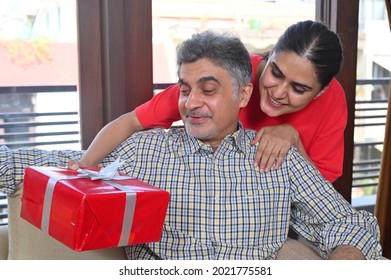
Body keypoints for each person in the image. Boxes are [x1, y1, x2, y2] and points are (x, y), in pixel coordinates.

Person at [0, 30, 382, 260]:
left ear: (242, 94)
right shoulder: (147, 149)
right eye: (185, 89)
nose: (191, 102)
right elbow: (64, 162)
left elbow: (347, 222)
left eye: (208, 90)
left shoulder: (280, 157)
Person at [69, 20, 347, 183]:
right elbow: (131, 121)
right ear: (271, 54)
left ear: (320, 92)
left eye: (298, 88)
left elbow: (321, 192)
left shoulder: (332, 100)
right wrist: (85, 164)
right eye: (275, 73)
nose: (278, 92)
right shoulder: (226, 76)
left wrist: (294, 141)